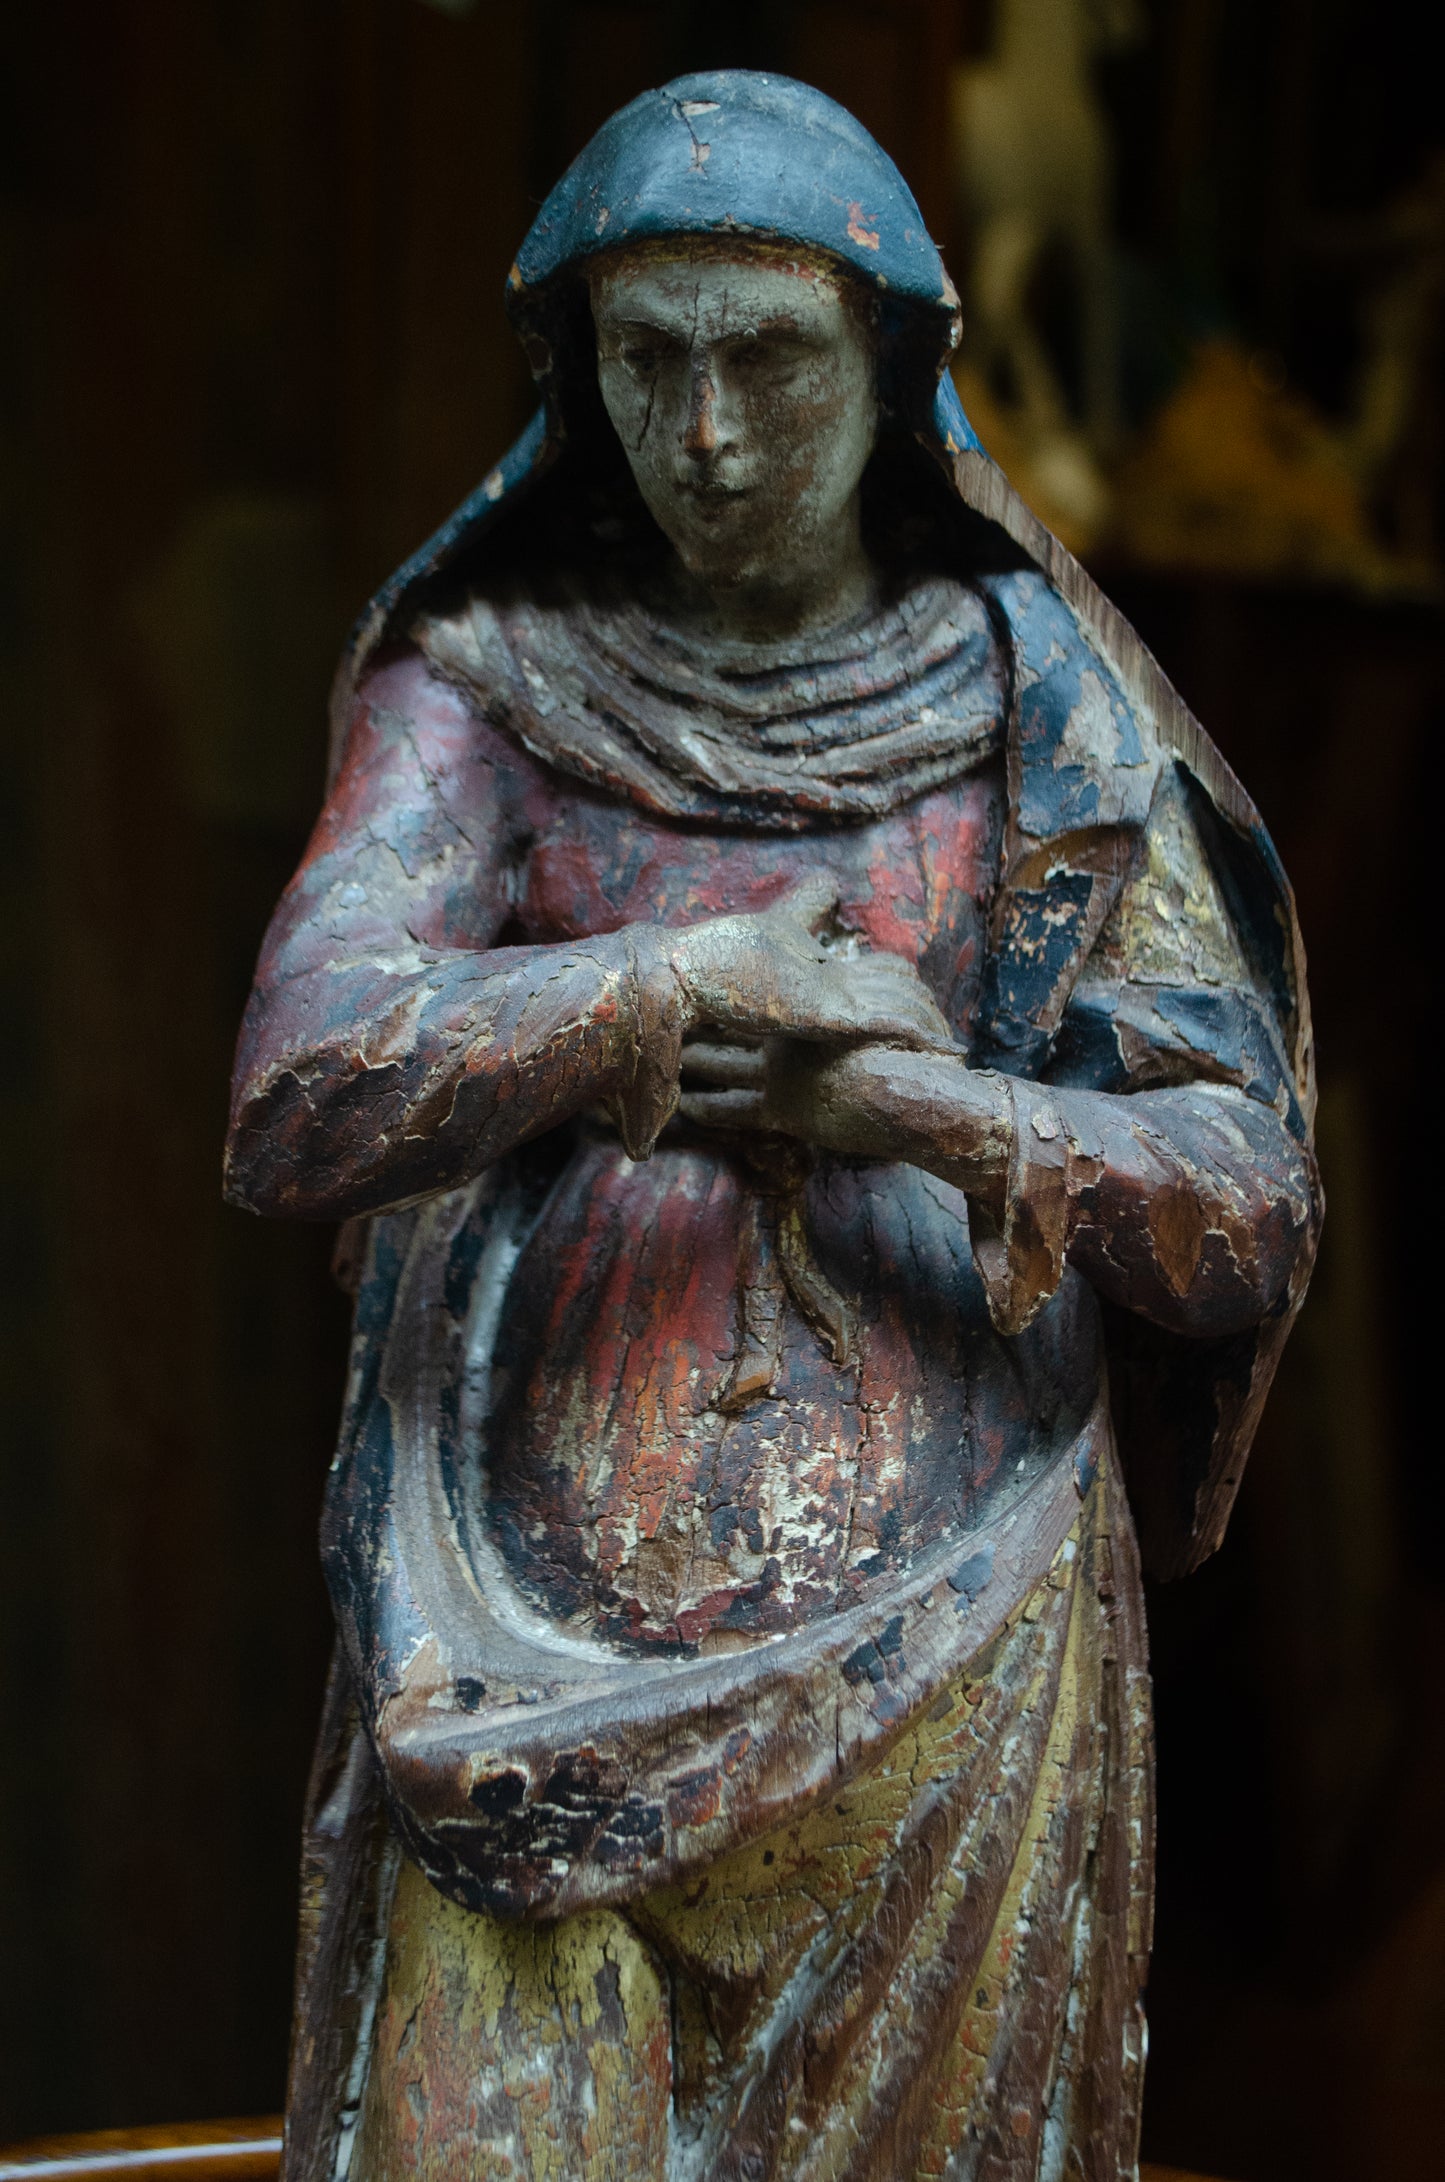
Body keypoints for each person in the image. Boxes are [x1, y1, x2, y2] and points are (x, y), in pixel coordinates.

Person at [227, 72, 1318, 2182]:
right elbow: (293, 1085)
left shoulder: (1045, 709)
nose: (708, 432)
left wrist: (908, 1098)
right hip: (513, 1644)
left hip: (956, 1635)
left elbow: (1251, 1203)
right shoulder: (494, 681)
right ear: (577, 371)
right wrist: (667, 985)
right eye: (650, 360)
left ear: (895, 362)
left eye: (768, 359)